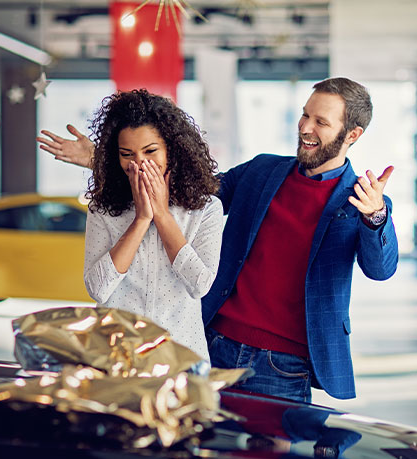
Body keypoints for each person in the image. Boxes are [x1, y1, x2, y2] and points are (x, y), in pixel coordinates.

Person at [37, 77, 398, 403]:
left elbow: (380, 270)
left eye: (321, 122)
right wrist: (109, 162)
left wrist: (375, 215)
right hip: (216, 344)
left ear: (352, 134)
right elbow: (190, 189)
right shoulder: (262, 171)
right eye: (305, 115)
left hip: (285, 365)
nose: (305, 127)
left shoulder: (363, 200)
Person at [76, 89, 222, 360]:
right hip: (114, 358)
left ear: (173, 150)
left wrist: (162, 216)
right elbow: (97, 288)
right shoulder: (102, 208)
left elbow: (199, 285)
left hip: (180, 359)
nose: (139, 164)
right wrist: (141, 220)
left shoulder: (205, 209)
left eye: (150, 151)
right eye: (126, 154)